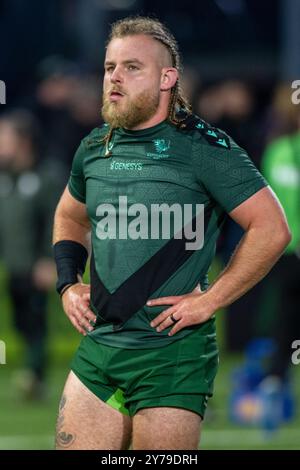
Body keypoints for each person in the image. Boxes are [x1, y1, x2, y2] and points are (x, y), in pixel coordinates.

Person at [52, 16, 291, 450]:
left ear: (168, 77)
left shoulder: (206, 147)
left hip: (172, 355)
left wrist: (211, 299)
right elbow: (70, 216)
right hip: (100, 350)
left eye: (131, 67)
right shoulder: (93, 147)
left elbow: (272, 229)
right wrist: (68, 282)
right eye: (109, 68)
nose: (114, 78)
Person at [0, 109, 62, 399]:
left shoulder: (47, 176)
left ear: (23, 141)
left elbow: (56, 219)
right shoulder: (5, 178)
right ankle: (31, 371)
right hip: (13, 265)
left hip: (36, 265)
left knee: (36, 320)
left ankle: (34, 374)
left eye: (4, 136)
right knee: (19, 321)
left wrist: (49, 259)